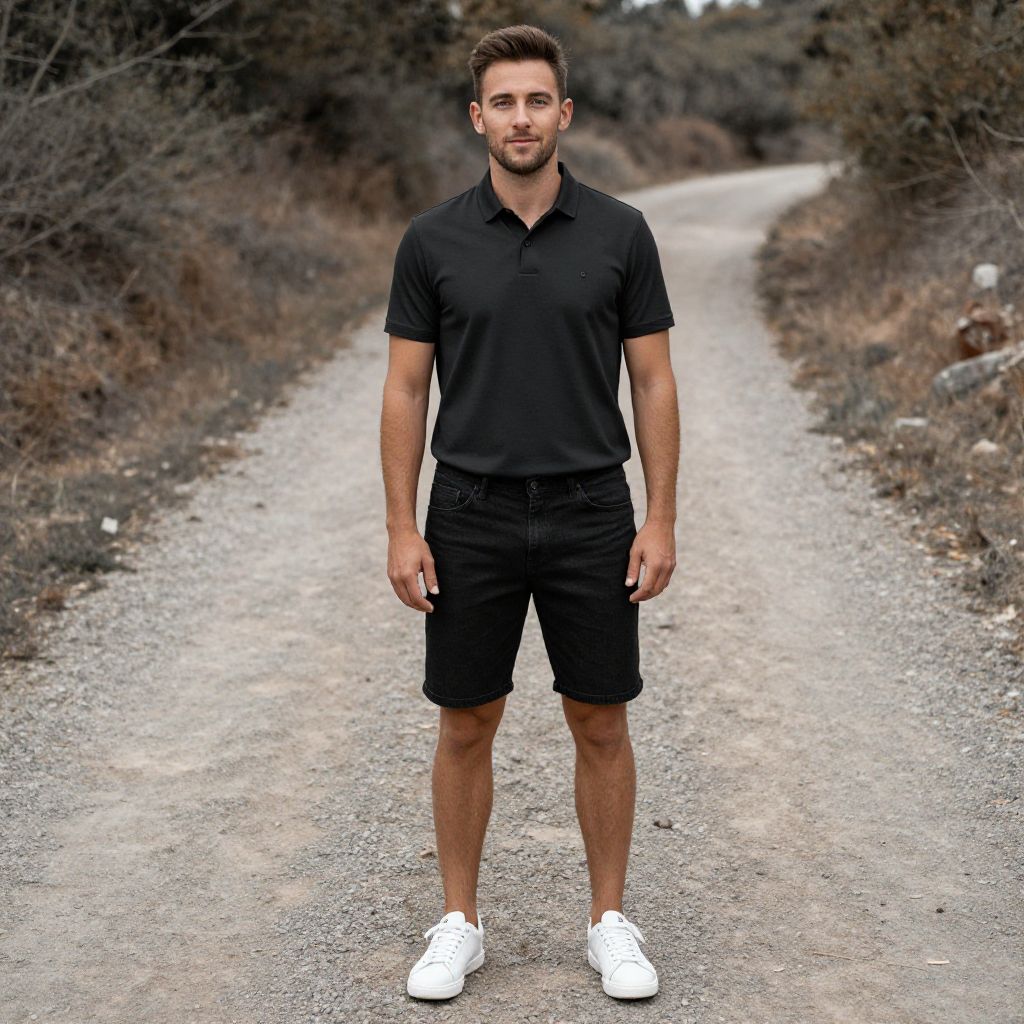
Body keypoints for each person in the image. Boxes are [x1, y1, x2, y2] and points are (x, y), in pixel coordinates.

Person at [380, 22, 679, 1003]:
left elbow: (654, 380)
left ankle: (608, 922)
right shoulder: (431, 240)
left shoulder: (620, 233)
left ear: (564, 113)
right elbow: (403, 391)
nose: (520, 117)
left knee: (601, 717)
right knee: (466, 719)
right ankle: (459, 923)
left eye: (535, 100)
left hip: (594, 503)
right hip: (467, 508)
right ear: (478, 118)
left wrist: (659, 515)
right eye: (501, 102)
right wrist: (400, 525)